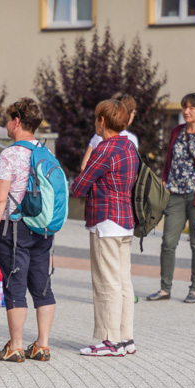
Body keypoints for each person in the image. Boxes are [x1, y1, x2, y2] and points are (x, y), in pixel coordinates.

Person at [0, 98, 56, 362]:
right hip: (43, 226)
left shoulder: (11, 154)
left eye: (7, 119)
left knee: (14, 284)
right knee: (42, 284)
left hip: (14, 226)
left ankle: (15, 346)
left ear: (16, 121)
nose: (6, 124)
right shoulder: (46, 152)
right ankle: (42, 345)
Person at [71, 99, 139, 356]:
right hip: (126, 222)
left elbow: (79, 186)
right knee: (123, 282)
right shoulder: (129, 146)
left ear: (102, 121)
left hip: (106, 221)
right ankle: (125, 338)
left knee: (106, 283)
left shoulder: (104, 149)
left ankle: (109, 341)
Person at [147, 93, 195, 304]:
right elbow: (169, 160)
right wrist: (164, 182)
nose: (187, 111)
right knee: (168, 242)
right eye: (184, 107)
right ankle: (164, 288)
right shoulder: (176, 131)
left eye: (192, 108)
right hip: (175, 195)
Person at [80, 92, 139, 172]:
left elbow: (84, 166)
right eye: (133, 112)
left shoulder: (99, 134)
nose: (133, 115)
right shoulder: (131, 139)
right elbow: (133, 169)